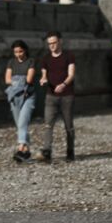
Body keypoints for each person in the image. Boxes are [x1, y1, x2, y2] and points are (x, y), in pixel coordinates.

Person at [38, 31, 77, 162]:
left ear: (60, 41)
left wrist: (64, 84)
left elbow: (71, 74)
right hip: (51, 96)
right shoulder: (45, 58)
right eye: (49, 44)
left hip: (67, 96)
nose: (52, 46)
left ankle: (70, 151)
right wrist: (43, 79)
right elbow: (44, 73)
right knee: (48, 124)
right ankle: (47, 150)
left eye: (54, 43)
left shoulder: (69, 56)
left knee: (68, 126)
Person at [4, 40, 38, 163]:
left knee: (23, 122)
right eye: (16, 52)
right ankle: (26, 152)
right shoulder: (11, 62)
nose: (18, 54)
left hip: (28, 96)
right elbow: (7, 79)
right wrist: (18, 82)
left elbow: (29, 79)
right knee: (20, 125)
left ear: (25, 50)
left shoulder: (31, 61)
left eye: (20, 51)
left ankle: (20, 149)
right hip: (14, 96)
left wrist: (15, 81)